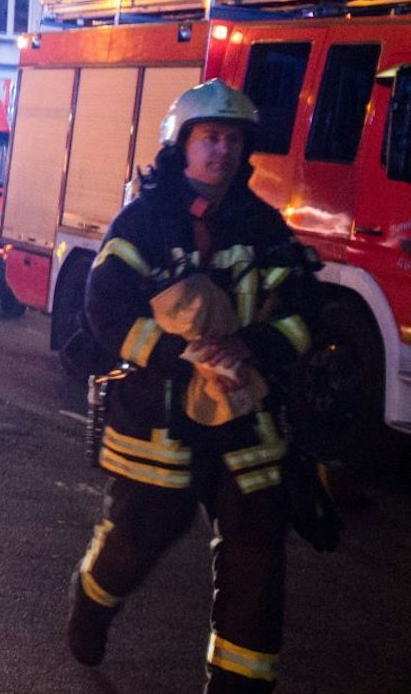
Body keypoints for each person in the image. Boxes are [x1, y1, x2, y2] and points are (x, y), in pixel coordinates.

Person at [66, 79, 314, 692]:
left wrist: (250, 346)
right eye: (210, 137)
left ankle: (238, 684)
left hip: (244, 417)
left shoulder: (265, 227)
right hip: (160, 415)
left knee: (256, 556)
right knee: (139, 540)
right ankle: (93, 599)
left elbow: (305, 314)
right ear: (182, 144)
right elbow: (106, 310)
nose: (222, 151)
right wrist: (181, 356)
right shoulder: (144, 222)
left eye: (233, 140)